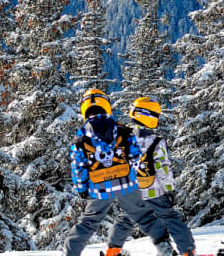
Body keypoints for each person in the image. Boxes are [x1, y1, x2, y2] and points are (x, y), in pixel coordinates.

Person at [63, 89, 174, 256]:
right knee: (145, 216)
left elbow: (78, 167)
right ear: (107, 107)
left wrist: (82, 189)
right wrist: (133, 176)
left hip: (98, 188)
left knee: (87, 223)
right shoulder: (122, 130)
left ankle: (69, 254)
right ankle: (165, 249)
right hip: (126, 184)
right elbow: (136, 157)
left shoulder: (80, 139)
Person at [109, 97, 196, 256]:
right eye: (155, 115)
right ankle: (187, 251)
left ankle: (112, 250)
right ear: (147, 116)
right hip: (153, 191)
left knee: (125, 219)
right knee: (171, 218)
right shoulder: (155, 141)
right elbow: (163, 169)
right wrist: (169, 190)